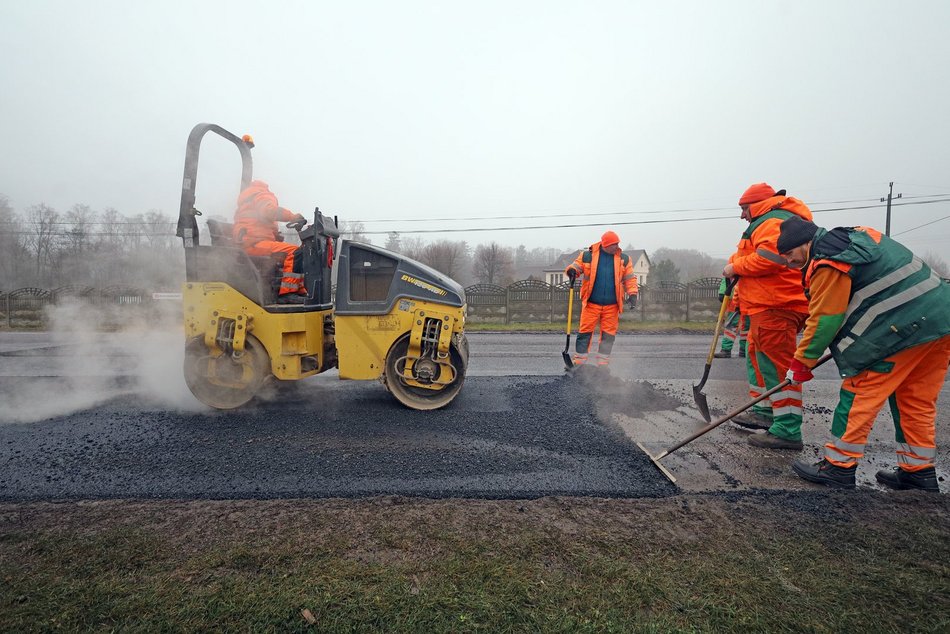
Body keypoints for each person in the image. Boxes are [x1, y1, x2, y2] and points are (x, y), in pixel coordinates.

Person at [773, 216, 950, 491]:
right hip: (939, 321)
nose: (789, 261)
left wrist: (800, 363)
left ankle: (838, 468)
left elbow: (825, 319)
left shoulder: (829, 259)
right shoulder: (855, 237)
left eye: (790, 254)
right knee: (914, 399)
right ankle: (918, 471)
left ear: (806, 243)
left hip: (901, 329)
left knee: (859, 393)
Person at [723, 183, 813, 448]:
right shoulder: (769, 220)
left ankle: (787, 429)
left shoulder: (772, 221)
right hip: (766, 305)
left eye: (744, 208)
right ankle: (765, 411)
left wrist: (734, 267)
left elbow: (769, 260)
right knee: (757, 356)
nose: (742, 215)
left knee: (777, 366)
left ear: (759, 203)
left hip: (777, 305)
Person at [564, 230, 639, 368]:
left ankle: (603, 364)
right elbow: (576, 265)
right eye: (613, 244)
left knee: (608, 336)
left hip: (612, 306)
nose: (616, 247)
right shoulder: (588, 256)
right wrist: (572, 271)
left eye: (617, 244)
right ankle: (579, 362)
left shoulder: (624, 259)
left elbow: (630, 278)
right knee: (584, 333)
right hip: (591, 303)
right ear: (605, 244)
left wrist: (633, 294)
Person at [233, 180, 308, 304]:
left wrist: (275, 236)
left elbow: (257, 224)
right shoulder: (261, 194)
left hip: (251, 241)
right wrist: (292, 216)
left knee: (292, 252)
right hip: (254, 243)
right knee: (294, 252)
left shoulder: (248, 198)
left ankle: (299, 290)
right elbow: (269, 211)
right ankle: (288, 293)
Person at [715, 275, 747, 359]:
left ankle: (744, 349)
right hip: (734, 300)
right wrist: (722, 292)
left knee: (747, 326)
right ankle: (726, 350)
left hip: (748, 299)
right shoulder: (735, 263)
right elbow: (727, 276)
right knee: (732, 325)